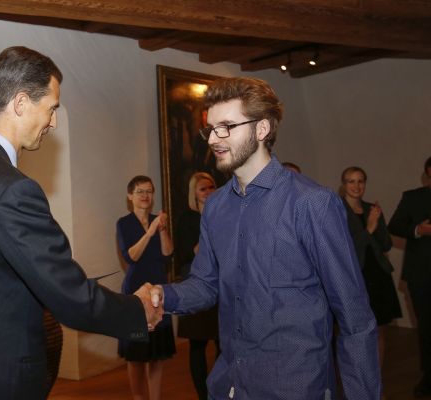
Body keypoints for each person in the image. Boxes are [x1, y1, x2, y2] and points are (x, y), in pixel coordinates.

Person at [0, 46, 160, 400]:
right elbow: (68, 295)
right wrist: (137, 311)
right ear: (20, 103)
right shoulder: (12, 188)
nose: (53, 122)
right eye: (52, 108)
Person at [147, 76, 380, 399]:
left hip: (295, 386)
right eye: (210, 129)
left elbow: (355, 319)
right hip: (230, 383)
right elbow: (205, 284)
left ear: (262, 129)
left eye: (227, 127)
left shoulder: (312, 203)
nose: (213, 139)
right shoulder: (215, 206)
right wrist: (162, 295)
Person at [117, 175, 175, 400]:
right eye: (140, 191)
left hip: (158, 290)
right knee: (136, 354)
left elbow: (168, 254)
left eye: (149, 191)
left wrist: (161, 230)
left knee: (157, 355)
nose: (145, 196)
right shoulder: (124, 223)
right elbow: (131, 256)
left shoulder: (157, 221)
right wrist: (150, 231)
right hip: (136, 292)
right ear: (130, 196)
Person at [340, 166, 402, 369]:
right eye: (351, 181)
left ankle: (376, 381)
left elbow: (386, 245)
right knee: (355, 332)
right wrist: (369, 228)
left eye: (360, 181)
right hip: (355, 276)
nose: (356, 186)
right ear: (344, 185)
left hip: (378, 275)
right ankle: (357, 380)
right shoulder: (337, 210)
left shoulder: (371, 209)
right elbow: (344, 248)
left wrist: (377, 223)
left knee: (379, 330)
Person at [388, 156, 431, 398]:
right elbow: (394, 225)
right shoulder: (413, 197)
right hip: (421, 275)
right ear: (427, 173)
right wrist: (418, 230)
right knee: (426, 327)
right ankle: (429, 376)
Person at [175, 172, 219, 400]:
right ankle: (203, 394)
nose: (208, 191)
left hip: (221, 284)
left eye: (211, 187)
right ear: (194, 194)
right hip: (196, 283)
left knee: (223, 342)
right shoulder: (187, 219)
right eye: (203, 189)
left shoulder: (222, 213)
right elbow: (191, 252)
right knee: (198, 343)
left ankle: (220, 390)